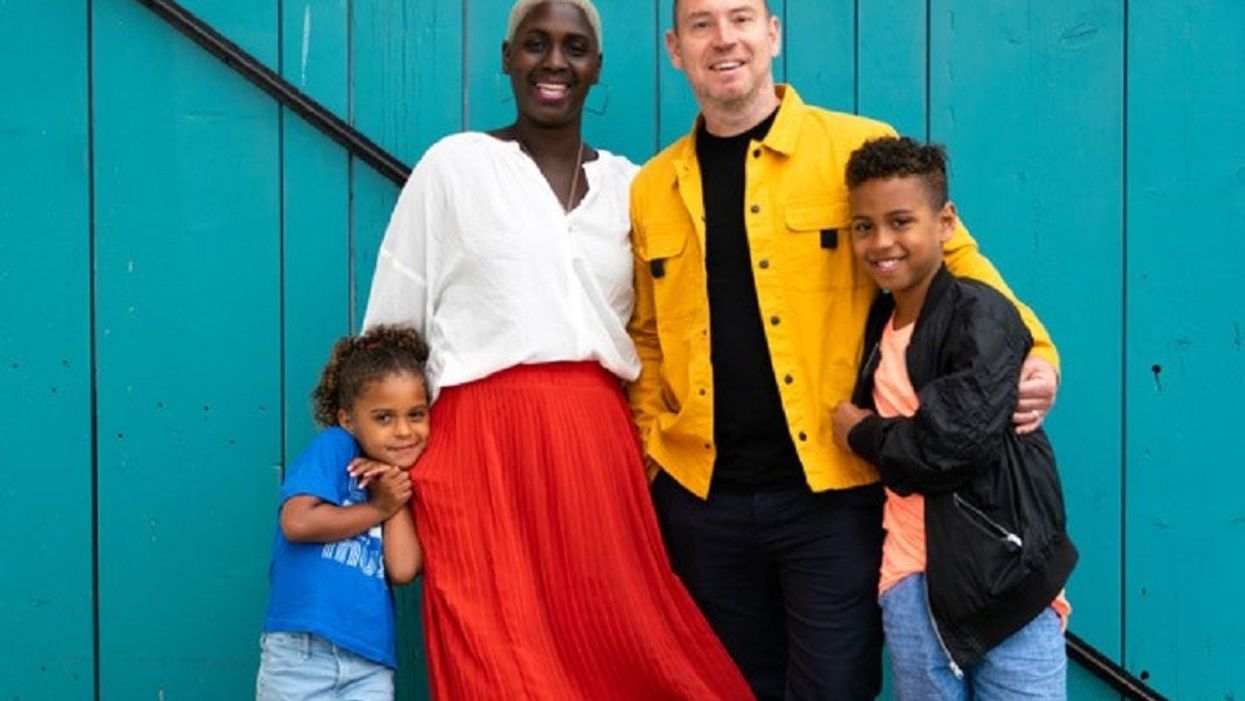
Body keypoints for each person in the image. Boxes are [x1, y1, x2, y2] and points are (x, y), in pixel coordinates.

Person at [627, 0, 1061, 698]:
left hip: (830, 493)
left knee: (835, 688)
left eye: (740, 17)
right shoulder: (652, 188)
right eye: (701, 24)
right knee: (730, 686)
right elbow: (645, 334)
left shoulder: (851, 148)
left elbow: (959, 263)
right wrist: (654, 451)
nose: (723, 39)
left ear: (772, 32)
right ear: (675, 48)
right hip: (703, 501)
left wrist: (1036, 352)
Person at [361, 1, 754, 698]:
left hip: (597, 449)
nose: (553, 62)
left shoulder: (635, 187)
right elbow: (392, 330)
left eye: (573, 48)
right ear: (507, 57)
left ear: (595, 68)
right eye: (534, 44)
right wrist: (374, 449)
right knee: (494, 658)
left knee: (623, 644)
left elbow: (673, 329)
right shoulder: (455, 166)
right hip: (476, 447)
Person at [832, 136, 1077, 700]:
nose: (881, 242)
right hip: (911, 580)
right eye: (863, 227)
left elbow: (954, 443)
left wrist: (860, 432)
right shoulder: (878, 326)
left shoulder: (981, 313)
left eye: (900, 222)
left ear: (945, 223)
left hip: (1005, 582)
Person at [256, 324, 427, 700]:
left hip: (369, 661)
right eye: (383, 417)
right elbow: (297, 522)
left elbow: (402, 568)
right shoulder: (337, 448)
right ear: (348, 419)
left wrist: (393, 498)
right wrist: (377, 508)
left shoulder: (399, 481)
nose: (403, 431)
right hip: (303, 653)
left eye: (416, 414)